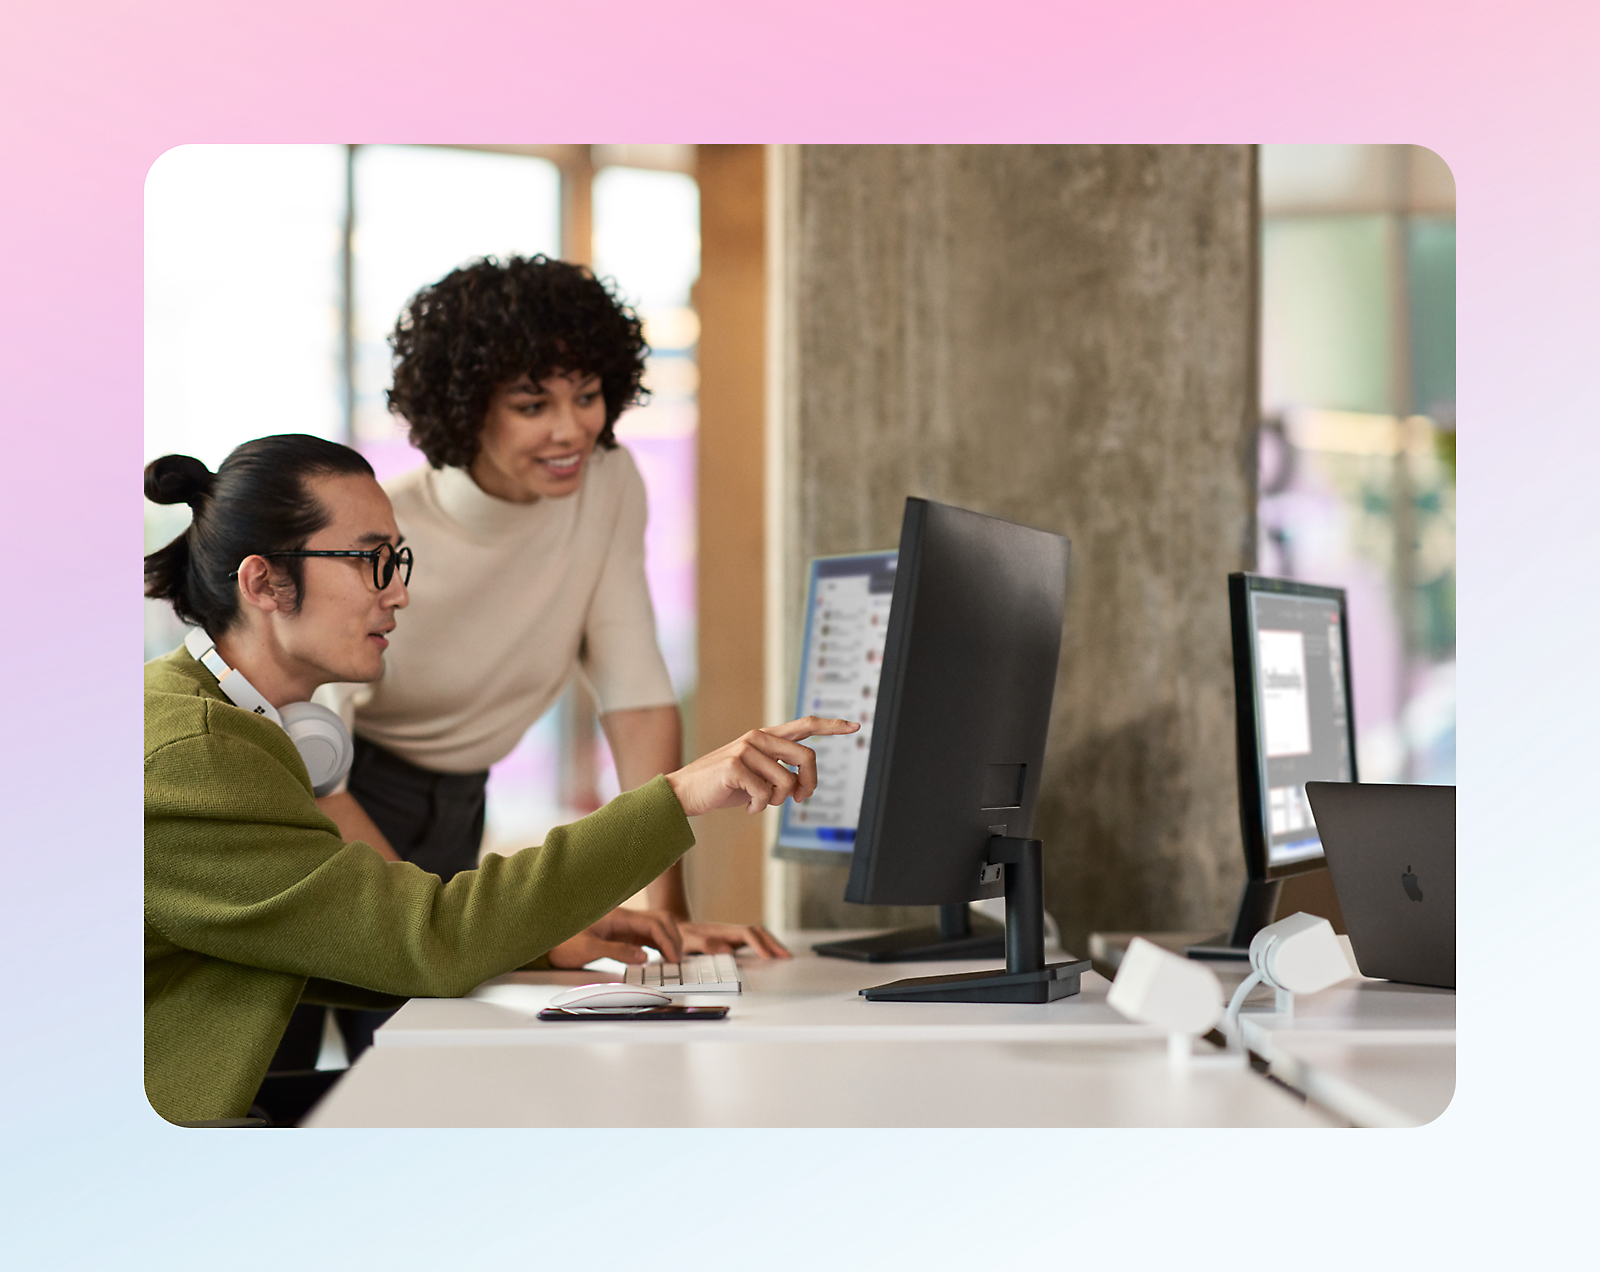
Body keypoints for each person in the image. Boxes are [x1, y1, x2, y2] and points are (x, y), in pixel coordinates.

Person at [143, 435, 855, 1124]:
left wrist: (548, 937)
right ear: (264, 582)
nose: (398, 595)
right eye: (369, 562)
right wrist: (679, 796)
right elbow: (428, 941)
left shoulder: (229, 727)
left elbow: (348, 941)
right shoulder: (196, 754)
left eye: (399, 561)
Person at [316, 254, 785, 963]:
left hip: (462, 806)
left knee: (440, 1045)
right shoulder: (387, 528)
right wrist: (474, 931)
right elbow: (316, 767)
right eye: (533, 406)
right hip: (334, 799)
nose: (571, 431)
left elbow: (636, 697)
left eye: (588, 395)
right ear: (468, 407)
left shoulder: (609, 482)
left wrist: (671, 917)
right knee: (324, 1045)